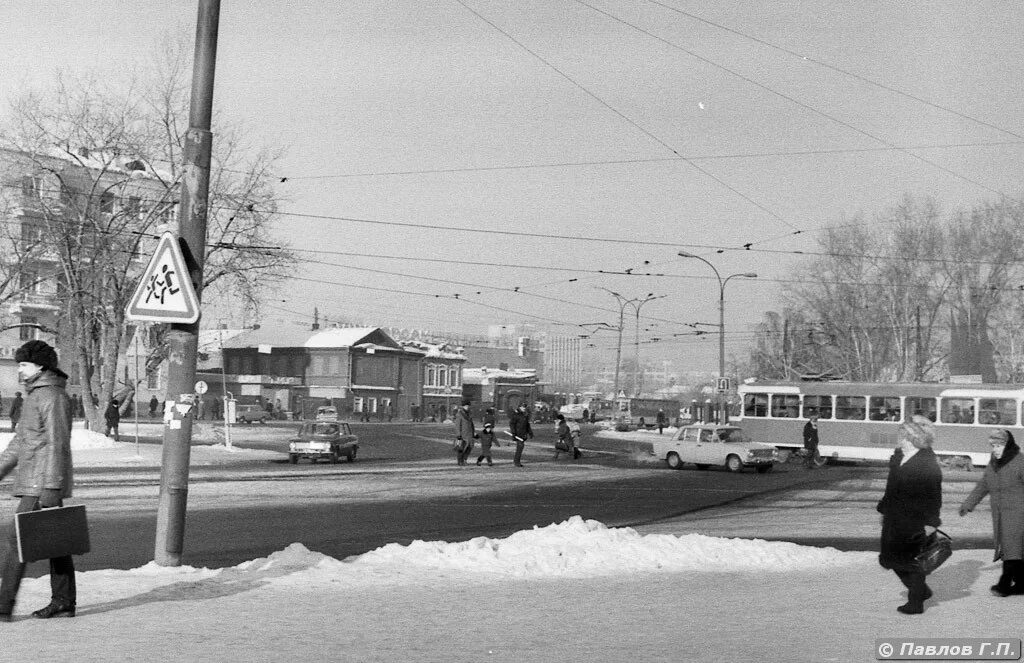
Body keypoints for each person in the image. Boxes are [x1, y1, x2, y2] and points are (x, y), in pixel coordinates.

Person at [0, 340, 77, 620]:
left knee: (16, 540)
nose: (19, 369)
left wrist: (51, 486)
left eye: (24, 363)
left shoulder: (52, 396)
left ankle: (3, 605)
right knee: (57, 542)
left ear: (40, 366)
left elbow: (58, 444)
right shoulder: (35, 396)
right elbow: (19, 444)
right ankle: (64, 601)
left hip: (42, 482)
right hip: (35, 480)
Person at [876, 415, 943, 615]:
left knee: (912, 562)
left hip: (914, 520)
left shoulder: (926, 462)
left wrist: (932, 521)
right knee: (890, 559)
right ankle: (921, 591)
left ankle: (916, 602)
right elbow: (891, 489)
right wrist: (883, 508)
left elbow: (934, 495)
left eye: (903, 437)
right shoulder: (899, 458)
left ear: (912, 439)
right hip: (894, 518)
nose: (900, 441)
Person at [959, 429, 1024, 596]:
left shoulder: (1019, 462)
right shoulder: (993, 463)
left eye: (999, 445)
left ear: (1007, 445)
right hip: (1000, 515)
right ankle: (1021, 584)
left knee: (1011, 550)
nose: (995, 449)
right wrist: (968, 504)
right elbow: (984, 485)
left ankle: (1004, 585)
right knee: (1013, 550)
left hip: (1018, 514)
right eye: (993, 445)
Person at [508, 403, 533, 468]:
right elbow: (512, 424)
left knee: (520, 448)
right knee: (520, 447)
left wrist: (530, 433)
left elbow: (527, 425)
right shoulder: (516, 415)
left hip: (523, 434)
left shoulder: (525, 415)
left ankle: (516, 461)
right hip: (518, 434)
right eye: (523, 407)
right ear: (519, 407)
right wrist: (513, 433)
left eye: (525, 407)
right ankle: (517, 462)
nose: (524, 408)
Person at [453, 398, 476, 466]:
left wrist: (474, 432)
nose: (467, 407)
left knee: (470, 447)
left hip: (469, 434)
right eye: (466, 406)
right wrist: (458, 434)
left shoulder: (469, 414)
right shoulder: (459, 414)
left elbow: (472, 424)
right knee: (461, 448)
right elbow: (457, 425)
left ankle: (465, 459)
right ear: (463, 406)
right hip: (463, 434)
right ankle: (460, 461)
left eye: (468, 405)